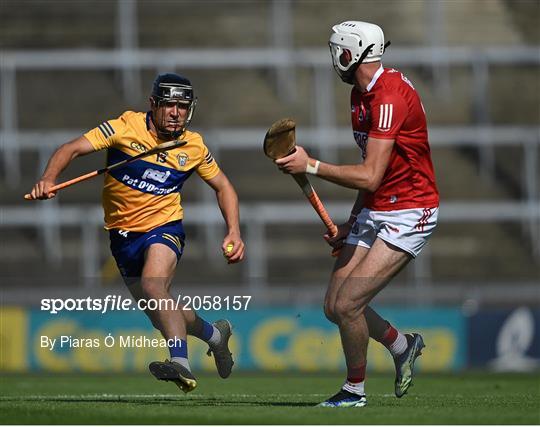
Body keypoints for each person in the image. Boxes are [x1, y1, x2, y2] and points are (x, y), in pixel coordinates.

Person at [29, 73, 245, 393]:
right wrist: (49, 177)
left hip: (164, 227)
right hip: (122, 236)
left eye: (182, 107)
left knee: (153, 285)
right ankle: (215, 335)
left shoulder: (194, 146)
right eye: (169, 105)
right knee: (161, 313)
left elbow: (223, 186)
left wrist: (234, 231)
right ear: (153, 105)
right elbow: (71, 149)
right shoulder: (123, 127)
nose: (176, 113)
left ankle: (181, 364)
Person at [275, 21, 439, 407]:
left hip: (410, 211)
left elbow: (369, 173)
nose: (334, 59)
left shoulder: (388, 97)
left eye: (337, 51)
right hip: (376, 207)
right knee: (334, 306)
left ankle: (354, 392)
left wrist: (310, 165)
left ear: (351, 53)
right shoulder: (359, 95)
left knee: (349, 304)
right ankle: (402, 345)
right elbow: (372, 180)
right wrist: (352, 222)